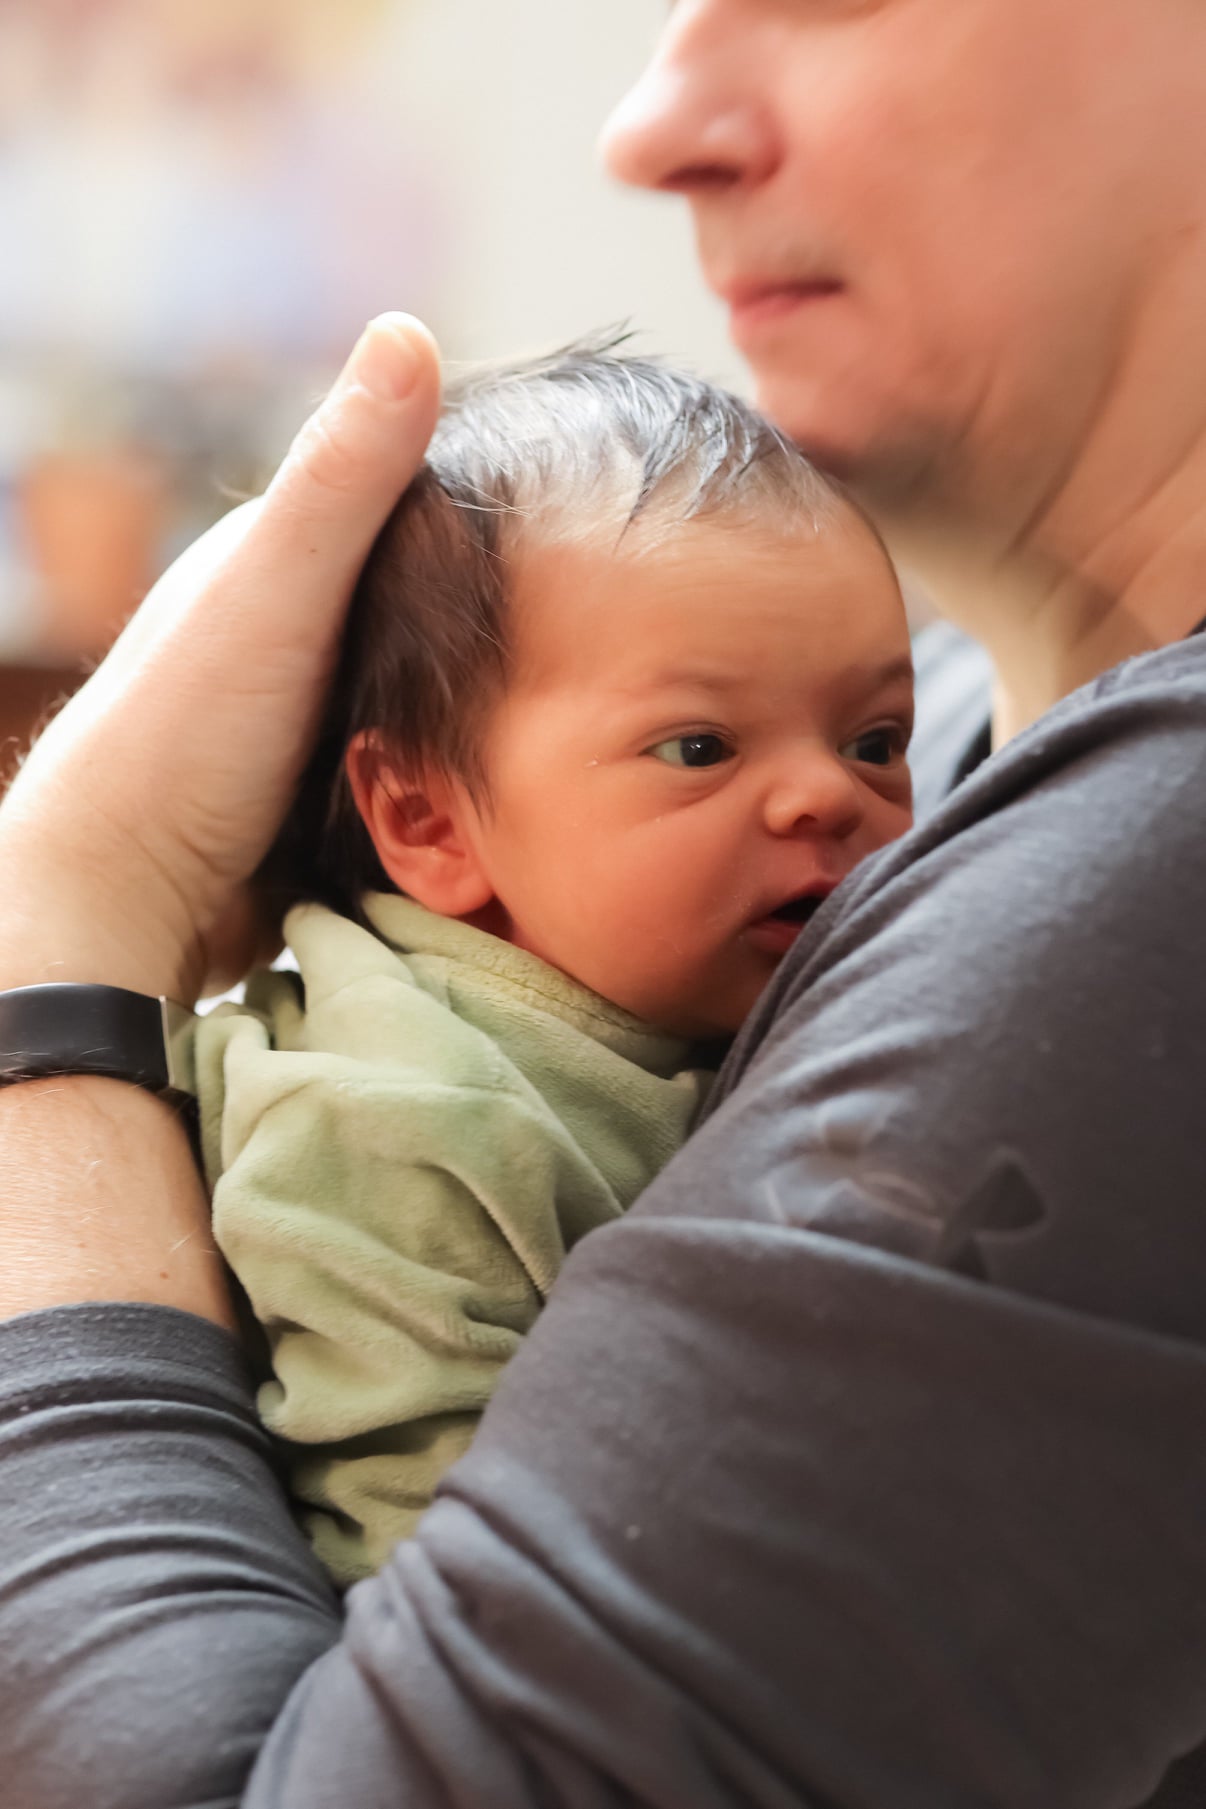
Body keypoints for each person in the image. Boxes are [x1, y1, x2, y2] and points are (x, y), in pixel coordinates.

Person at [0, 0, 1205, 1801]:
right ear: (420, 816)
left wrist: (60, 937)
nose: (653, 124)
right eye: (699, 741)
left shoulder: (1140, 901)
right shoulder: (961, 755)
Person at [196, 343, 914, 1584]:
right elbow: (414, 1558)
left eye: (876, 737)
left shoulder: (724, 993)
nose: (823, 796)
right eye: (698, 746)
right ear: (429, 822)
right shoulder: (404, 1115)